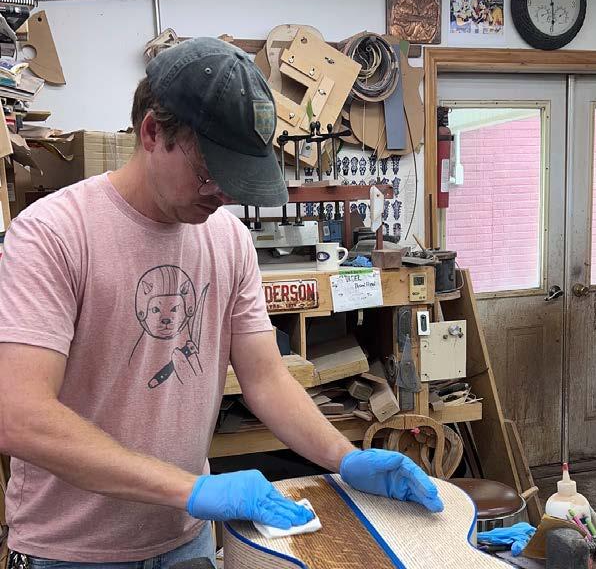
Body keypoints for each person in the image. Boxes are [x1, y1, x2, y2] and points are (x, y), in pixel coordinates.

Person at [0, 37, 444, 569]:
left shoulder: (227, 240)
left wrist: (344, 458)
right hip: (71, 551)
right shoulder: (52, 234)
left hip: (183, 540)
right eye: (211, 173)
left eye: (238, 180)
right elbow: (20, 416)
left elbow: (266, 379)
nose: (225, 195)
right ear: (152, 133)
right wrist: (190, 489)